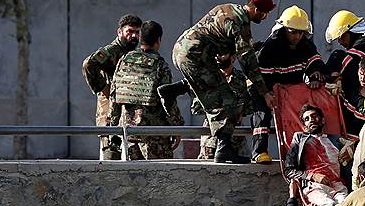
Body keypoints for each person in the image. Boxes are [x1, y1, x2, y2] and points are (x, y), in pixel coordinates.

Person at [171, 0, 276, 163]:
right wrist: (264, 92)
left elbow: (225, 41)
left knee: (221, 95)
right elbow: (247, 61)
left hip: (182, 50)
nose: (265, 17)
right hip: (196, 57)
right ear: (256, 9)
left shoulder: (228, 8)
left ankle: (175, 89)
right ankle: (223, 149)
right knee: (228, 100)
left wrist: (253, 46)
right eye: (265, 13)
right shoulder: (240, 24)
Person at [252, 5, 328, 163]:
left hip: (292, 89)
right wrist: (267, 94)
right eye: (293, 32)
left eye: (301, 32)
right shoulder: (269, 49)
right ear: (283, 29)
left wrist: (315, 75)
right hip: (266, 87)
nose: (297, 37)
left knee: (303, 115)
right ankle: (259, 151)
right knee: (262, 114)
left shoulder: (305, 45)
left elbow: (316, 61)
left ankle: (302, 152)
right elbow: (263, 78)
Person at [109, 21, 184, 159]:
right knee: (160, 177)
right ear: (158, 40)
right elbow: (167, 100)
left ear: (140, 38)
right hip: (154, 135)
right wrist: (177, 126)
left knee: (133, 178)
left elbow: (114, 96)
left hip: (129, 133)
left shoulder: (124, 61)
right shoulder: (160, 65)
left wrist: (112, 128)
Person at [82, 14, 142, 160]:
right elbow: (88, 64)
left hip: (126, 116)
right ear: (120, 32)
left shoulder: (133, 53)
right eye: (130, 31)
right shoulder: (112, 50)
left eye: (137, 32)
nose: (133, 36)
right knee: (110, 159)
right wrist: (104, 88)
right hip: (109, 114)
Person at [283, 104, 349, 206]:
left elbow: (353, 148)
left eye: (314, 116)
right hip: (315, 187)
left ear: (322, 121)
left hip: (339, 186)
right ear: (304, 127)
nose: (311, 120)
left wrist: (349, 145)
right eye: (307, 119)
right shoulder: (299, 138)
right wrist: (313, 176)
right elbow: (289, 170)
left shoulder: (336, 139)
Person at [193, 53, 251, 163]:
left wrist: (240, 111)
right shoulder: (208, 78)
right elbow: (196, 108)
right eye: (217, 54)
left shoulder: (240, 79)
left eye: (223, 54)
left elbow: (248, 106)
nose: (218, 58)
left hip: (235, 139)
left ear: (232, 58)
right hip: (211, 138)